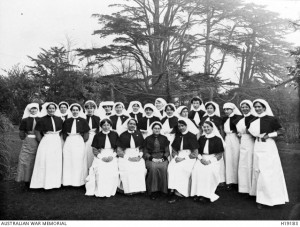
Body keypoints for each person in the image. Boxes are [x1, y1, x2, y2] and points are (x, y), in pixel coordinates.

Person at [248, 99, 288, 209]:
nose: (257, 108)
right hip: (257, 145)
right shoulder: (253, 119)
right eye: (255, 107)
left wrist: (269, 135)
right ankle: (259, 197)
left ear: (264, 107)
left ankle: (270, 197)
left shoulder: (271, 119)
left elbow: (281, 130)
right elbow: (251, 131)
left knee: (268, 171)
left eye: (259, 107)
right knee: (258, 170)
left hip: (268, 147)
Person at [30, 102, 63, 189]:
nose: (51, 110)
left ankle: (55, 183)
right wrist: (41, 141)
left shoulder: (59, 119)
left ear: (55, 109)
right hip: (46, 140)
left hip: (56, 140)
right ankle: (42, 183)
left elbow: (61, 131)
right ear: (47, 109)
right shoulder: (41, 120)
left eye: (53, 108)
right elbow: (37, 131)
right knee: (46, 160)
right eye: (50, 108)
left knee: (55, 161)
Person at [191, 121, 225, 203]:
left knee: (208, 171)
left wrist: (209, 161)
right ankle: (198, 193)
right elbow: (197, 151)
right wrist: (201, 159)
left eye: (208, 127)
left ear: (212, 127)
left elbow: (219, 154)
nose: (206, 129)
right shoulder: (202, 138)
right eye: (204, 127)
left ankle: (205, 194)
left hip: (213, 159)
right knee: (196, 170)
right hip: (202, 158)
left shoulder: (217, 139)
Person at [85, 118, 119, 197]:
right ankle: (101, 190)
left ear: (110, 126)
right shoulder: (97, 135)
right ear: (101, 126)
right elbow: (94, 149)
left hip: (112, 154)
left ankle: (110, 190)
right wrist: (101, 157)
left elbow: (118, 148)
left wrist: (113, 156)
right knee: (101, 170)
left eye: (108, 125)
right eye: (104, 125)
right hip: (101, 155)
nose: (106, 127)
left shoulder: (115, 134)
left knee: (112, 170)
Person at [167, 119, 199, 203]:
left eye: (182, 126)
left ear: (186, 126)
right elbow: (174, 150)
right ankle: (173, 189)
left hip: (189, 157)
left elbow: (195, 153)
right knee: (171, 167)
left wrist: (184, 159)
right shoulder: (178, 136)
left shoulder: (191, 136)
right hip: (178, 156)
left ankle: (179, 193)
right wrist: (176, 157)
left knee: (181, 169)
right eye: (179, 126)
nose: (181, 128)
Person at [62, 103, 90, 187]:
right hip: (69, 140)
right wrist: (68, 139)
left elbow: (86, 133)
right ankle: (68, 181)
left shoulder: (83, 120)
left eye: (76, 110)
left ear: (79, 111)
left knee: (78, 159)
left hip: (79, 140)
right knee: (68, 159)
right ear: (71, 111)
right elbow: (64, 134)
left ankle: (79, 181)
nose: (75, 111)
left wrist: (81, 140)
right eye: (73, 110)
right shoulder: (67, 121)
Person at [117, 119, 146, 194]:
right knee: (128, 169)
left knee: (140, 169)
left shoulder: (139, 134)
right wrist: (129, 158)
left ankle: (139, 189)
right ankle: (129, 190)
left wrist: (139, 156)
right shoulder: (123, 135)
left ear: (136, 125)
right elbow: (119, 150)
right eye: (130, 124)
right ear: (127, 125)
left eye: (134, 124)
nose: (132, 125)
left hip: (137, 155)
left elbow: (142, 147)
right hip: (126, 155)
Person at [200, 101, 225, 186]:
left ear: (214, 109)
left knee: (218, 156)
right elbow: (201, 129)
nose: (209, 110)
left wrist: (222, 138)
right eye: (207, 108)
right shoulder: (203, 118)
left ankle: (220, 179)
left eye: (211, 108)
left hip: (216, 137)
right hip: (205, 136)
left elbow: (221, 129)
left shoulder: (218, 118)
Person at [143, 122, 170, 199]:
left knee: (163, 168)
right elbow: (145, 152)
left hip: (162, 157)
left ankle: (163, 191)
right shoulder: (147, 139)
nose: (157, 130)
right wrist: (152, 159)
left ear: (160, 129)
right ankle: (153, 191)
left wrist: (163, 159)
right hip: (151, 158)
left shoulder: (164, 138)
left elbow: (167, 152)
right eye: (155, 128)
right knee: (153, 168)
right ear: (152, 129)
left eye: (158, 128)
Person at [15, 103, 40, 186]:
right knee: (26, 159)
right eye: (32, 109)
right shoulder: (25, 120)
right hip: (29, 141)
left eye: (35, 109)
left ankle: (37, 179)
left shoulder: (41, 119)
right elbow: (21, 131)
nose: (33, 110)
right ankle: (26, 179)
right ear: (29, 110)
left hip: (39, 141)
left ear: (37, 109)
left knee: (38, 159)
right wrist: (24, 138)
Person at [236, 100, 256, 195]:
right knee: (243, 163)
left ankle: (251, 187)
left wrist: (246, 132)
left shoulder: (254, 118)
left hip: (250, 141)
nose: (244, 108)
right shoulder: (241, 118)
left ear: (250, 107)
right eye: (243, 107)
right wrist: (240, 133)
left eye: (246, 107)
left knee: (250, 162)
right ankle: (244, 187)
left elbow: (253, 131)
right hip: (242, 142)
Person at [222, 102, 243, 190]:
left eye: (228, 109)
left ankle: (238, 181)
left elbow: (241, 129)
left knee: (236, 157)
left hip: (235, 138)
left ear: (233, 109)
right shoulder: (224, 118)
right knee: (228, 158)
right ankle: (229, 180)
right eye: (225, 109)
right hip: (227, 138)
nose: (226, 111)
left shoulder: (239, 117)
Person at [84, 100, 101, 170]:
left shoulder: (98, 118)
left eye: (91, 108)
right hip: (86, 138)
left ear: (94, 109)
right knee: (86, 153)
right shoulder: (83, 118)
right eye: (88, 108)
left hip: (95, 137)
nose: (89, 110)